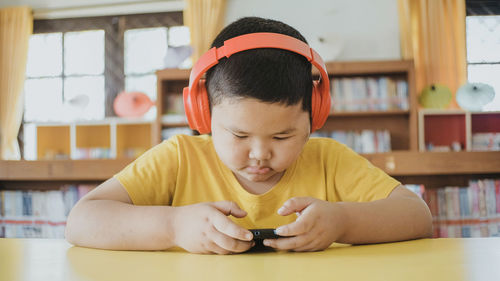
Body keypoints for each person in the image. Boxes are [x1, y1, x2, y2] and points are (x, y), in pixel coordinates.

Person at [65, 17, 432, 254]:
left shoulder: (329, 161)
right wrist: (173, 226)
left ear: (314, 117)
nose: (259, 154)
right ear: (204, 115)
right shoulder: (178, 157)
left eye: (283, 136)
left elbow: (417, 215)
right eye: (239, 135)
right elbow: (82, 221)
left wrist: (343, 221)